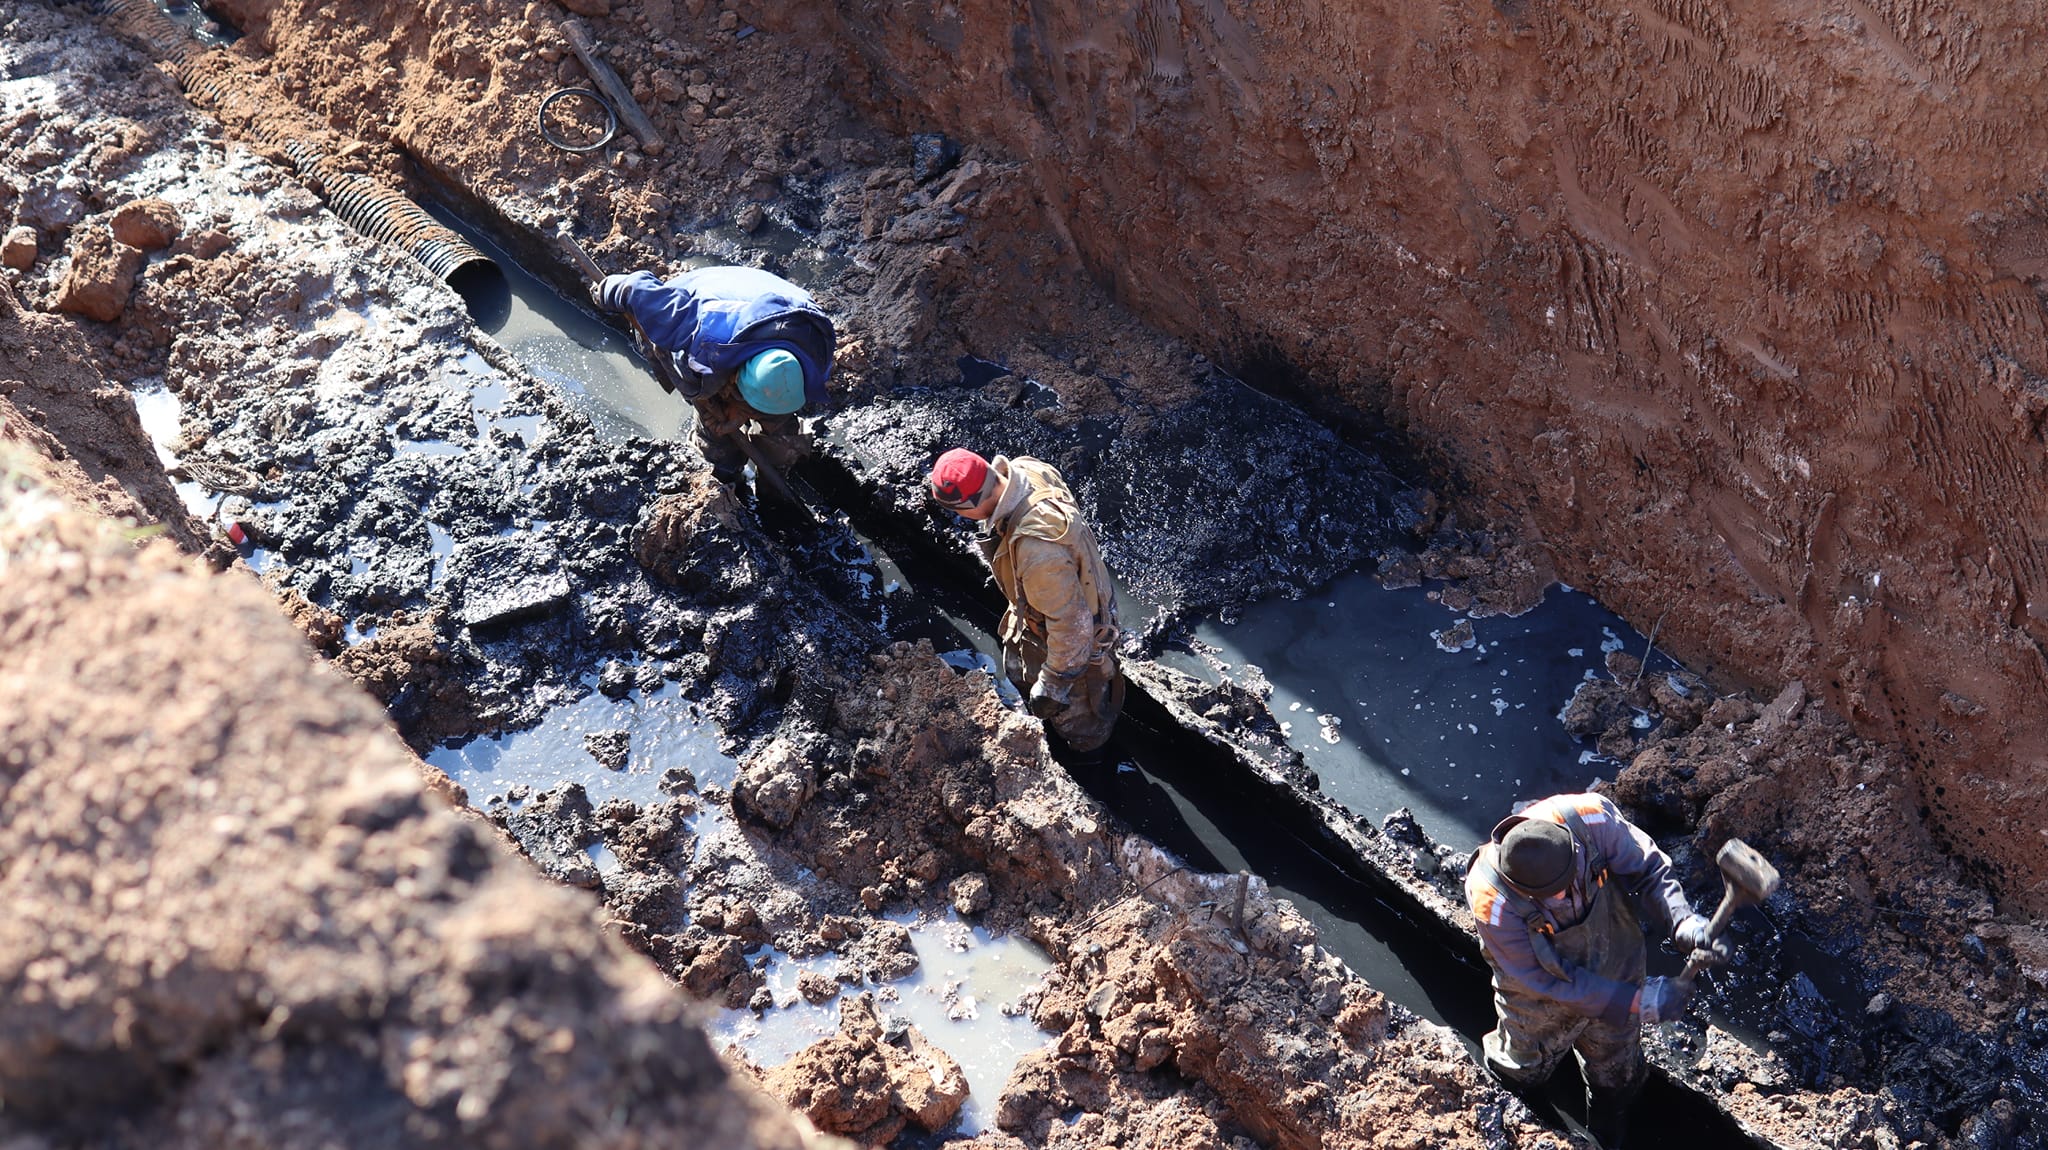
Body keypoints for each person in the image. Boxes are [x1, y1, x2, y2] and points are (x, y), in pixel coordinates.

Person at [1465, 792, 1727, 1148]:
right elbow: (1544, 981)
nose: (1561, 899)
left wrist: (1683, 921)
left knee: (1617, 1074)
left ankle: (1605, 1137)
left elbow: (1648, 870)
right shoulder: (1491, 898)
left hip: (1616, 962)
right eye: (1548, 897)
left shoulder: (1591, 818)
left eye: (1566, 886)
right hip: (1539, 998)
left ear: (1574, 850)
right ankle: (1525, 1116)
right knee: (1521, 1065)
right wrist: (1637, 1001)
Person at [927, 448, 1124, 753]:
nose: (958, 518)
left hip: (1074, 643)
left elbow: (1072, 626)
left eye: (958, 511)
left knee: (1082, 726)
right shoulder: (1026, 469)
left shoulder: (1037, 551)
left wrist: (1054, 684)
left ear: (973, 504)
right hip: (1041, 611)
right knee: (1022, 677)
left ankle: (1092, 760)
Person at [592, 266, 835, 487]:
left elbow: (777, 388)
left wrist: (743, 412)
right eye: (745, 404)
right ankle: (718, 470)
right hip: (708, 300)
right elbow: (636, 288)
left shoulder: (817, 355)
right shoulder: (697, 328)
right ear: (735, 378)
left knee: (782, 435)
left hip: (772, 307)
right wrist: (609, 291)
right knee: (712, 427)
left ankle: (776, 477)